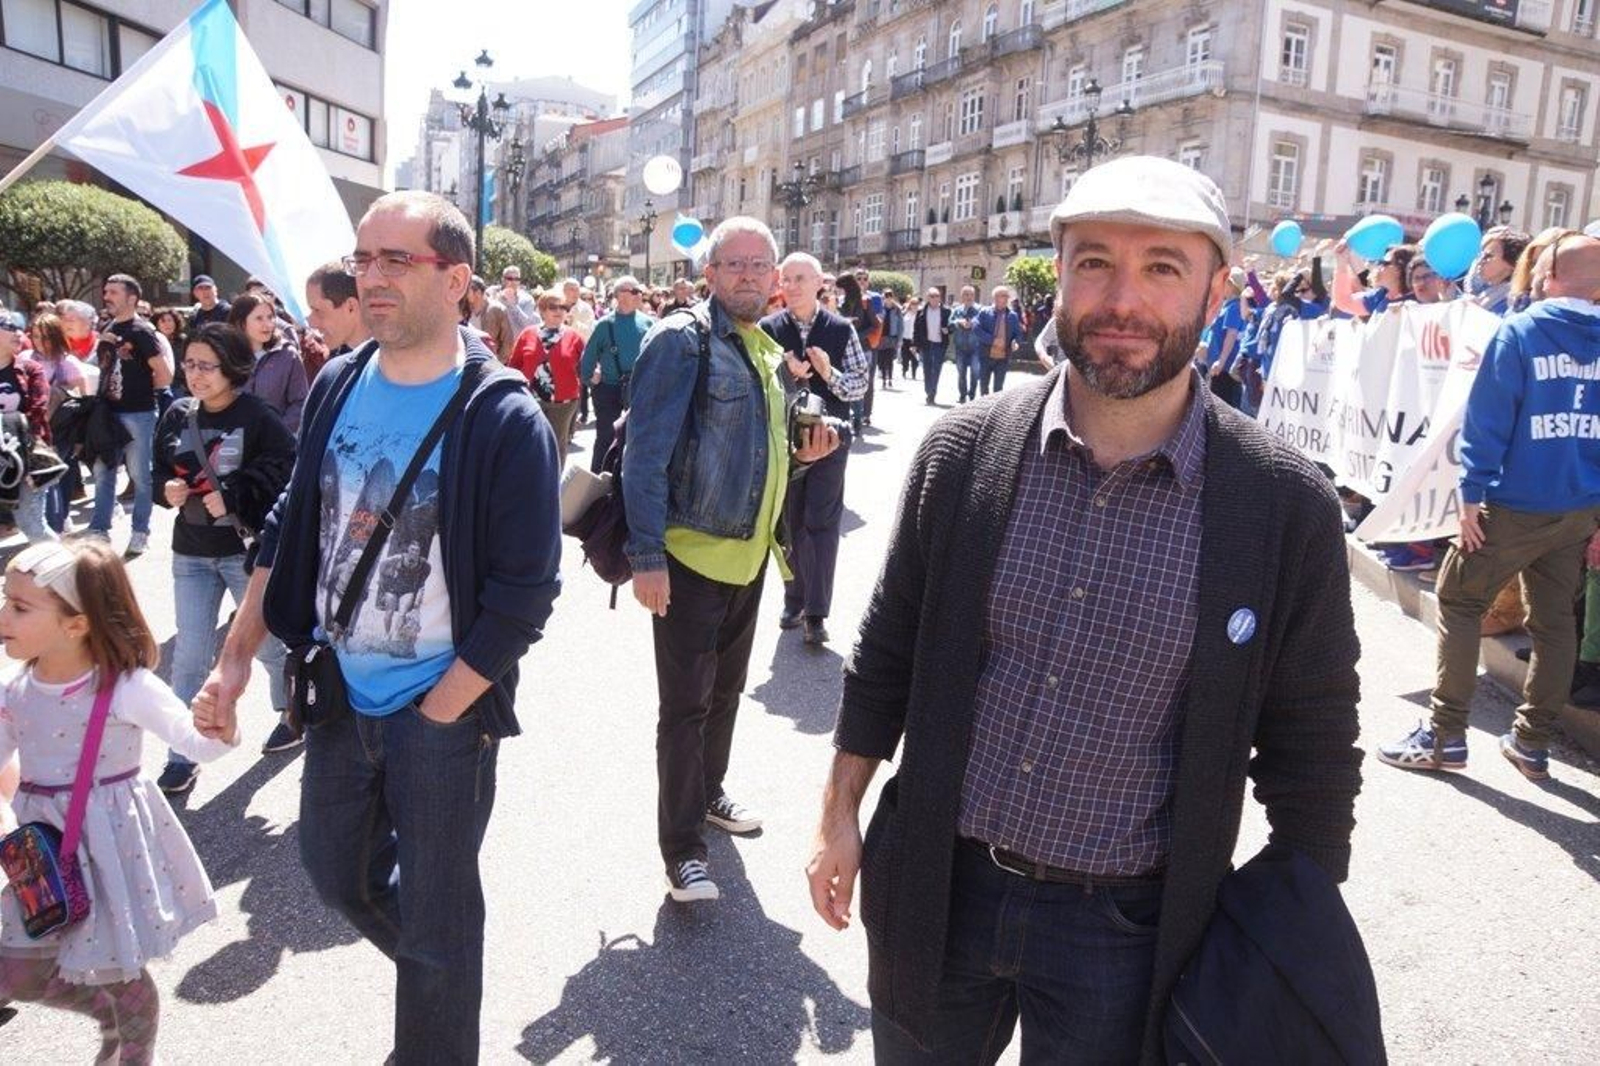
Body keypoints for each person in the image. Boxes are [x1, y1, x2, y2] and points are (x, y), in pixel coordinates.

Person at [805, 156, 1362, 1063]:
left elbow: (1314, 745)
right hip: (937, 893)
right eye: (1094, 261)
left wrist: (1291, 938)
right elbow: (887, 653)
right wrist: (838, 815)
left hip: (1130, 932)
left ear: (1217, 292)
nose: (1122, 299)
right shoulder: (963, 453)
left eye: (1163, 268)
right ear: (1056, 278)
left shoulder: (1281, 505)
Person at [191, 191, 561, 1063]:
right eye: (365, 259)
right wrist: (236, 657)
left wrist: (443, 708)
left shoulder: (503, 416)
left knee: (436, 914)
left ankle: (436, 1020)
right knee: (334, 873)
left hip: (442, 712)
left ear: (458, 281)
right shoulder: (339, 379)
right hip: (339, 697)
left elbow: (525, 594)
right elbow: (289, 525)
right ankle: (446, 976)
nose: (374, 277)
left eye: (399, 260)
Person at [624, 217, 840, 904]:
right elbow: (645, 455)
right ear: (709, 274)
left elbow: (762, 459)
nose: (748, 275)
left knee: (722, 695)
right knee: (684, 708)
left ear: (777, 278)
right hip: (689, 557)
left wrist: (803, 463)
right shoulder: (682, 340)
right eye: (734, 264)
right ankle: (682, 851)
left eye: (760, 264)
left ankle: (709, 795)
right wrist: (646, 554)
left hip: (749, 559)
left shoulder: (765, 349)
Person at [0, 540, 239, 1064]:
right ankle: (112, 1013)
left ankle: (132, 1046)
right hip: (40, 850)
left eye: (19, 606)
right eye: (4, 599)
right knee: (16, 972)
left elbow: (195, 741)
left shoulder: (125, 687)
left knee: (113, 962)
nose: (3, 615)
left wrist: (218, 725)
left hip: (109, 846)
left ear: (77, 624)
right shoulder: (15, 691)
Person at [1379, 234, 1600, 781]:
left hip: (1513, 502)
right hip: (1577, 507)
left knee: (1458, 600)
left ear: (1548, 278)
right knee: (1552, 622)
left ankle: (1444, 734)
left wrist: (1471, 495)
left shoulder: (1523, 331)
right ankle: (1532, 740)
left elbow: (1489, 418)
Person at [153, 322, 297, 792]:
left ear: (233, 368)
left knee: (270, 648)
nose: (196, 375)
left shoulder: (256, 416)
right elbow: (157, 473)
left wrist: (235, 493)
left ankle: (292, 714)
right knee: (189, 657)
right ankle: (182, 752)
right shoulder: (177, 414)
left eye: (206, 366)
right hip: (190, 553)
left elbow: (285, 470)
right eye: (190, 364)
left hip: (244, 553)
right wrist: (165, 490)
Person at [760, 252, 870, 645]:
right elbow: (755, 388)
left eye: (800, 278)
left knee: (821, 523)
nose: (791, 286)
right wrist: (783, 376)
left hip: (829, 439)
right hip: (783, 440)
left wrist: (828, 374)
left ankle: (817, 613)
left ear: (820, 282)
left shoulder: (841, 329)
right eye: (786, 279)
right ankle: (794, 599)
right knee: (788, 521)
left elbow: (859, 386)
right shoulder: (767, 328)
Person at [90, 274, 173, 556]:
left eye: (113, 291)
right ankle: (99, 530)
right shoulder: (108, 327)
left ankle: (140, 531)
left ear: (132, 298)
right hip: (107, 414)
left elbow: (164, 375)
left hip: (138, 413)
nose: (107, 296)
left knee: (140, 475)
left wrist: (142, 392)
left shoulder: (142, 331)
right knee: (104, 473)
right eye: (106, 291)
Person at [579, 275, 654, 471]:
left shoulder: (649, 323)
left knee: (638, 438)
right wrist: (589, 378)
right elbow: (589, 356)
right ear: (620, 295)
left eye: (640, 291)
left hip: (638, 389)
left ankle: (626, 481)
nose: (640, 295)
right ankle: (596, 483)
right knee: (605, 437)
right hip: (608, 389)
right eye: (635, 291)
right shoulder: (604, 324)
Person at [0, 310, 55, 543]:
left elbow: (38, 410)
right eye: (10, 327)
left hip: (25, 455)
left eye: (20, 327)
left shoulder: (30, 369)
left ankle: (66, 572)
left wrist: (31, 466)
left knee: (31, 524)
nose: (19, 333)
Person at [510, 291, 585, 451]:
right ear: (542, 310)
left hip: (563, 403)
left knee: (556, 446)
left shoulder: (575, 337)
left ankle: (554, 476)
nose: (559, 311)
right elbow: (514, 366)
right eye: (553, 307)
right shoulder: (527, 334)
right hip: (530, 399)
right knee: (530, 444)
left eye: (563, 307)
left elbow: (583, 367)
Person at [228, 294, 310, 436]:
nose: (268, 324)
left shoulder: (287, 355)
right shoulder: (226, 355)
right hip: (231, 441)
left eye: (271, 317)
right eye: (259, 318)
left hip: (276, 443)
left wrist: (276, 430)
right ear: (241, 322)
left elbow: (300, 401)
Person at [836, 273, 878, 431]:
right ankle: (851, 416)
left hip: (863, 347)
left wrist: (858, 335)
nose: (839, 292)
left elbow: (875, 324)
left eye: (841, 288)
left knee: (859, 382)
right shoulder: (842, 301)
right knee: (846, 381)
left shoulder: (865, 301)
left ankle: (859, 418)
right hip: (844, 347)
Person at [306, 260, 372, 360]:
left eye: (318, 311)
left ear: (350, 307)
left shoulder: (396, 364)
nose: (311, 323)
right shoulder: (335, 370)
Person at [1333, 240, 1416, 319]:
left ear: (1400, 268)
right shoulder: (1380, 296)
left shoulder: (1419, 301)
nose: (1378, 266)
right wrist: (1341, 262)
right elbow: (1345, 302)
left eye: (1384, 263)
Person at [973, 285, 1023, 397]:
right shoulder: (984, 313)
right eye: (1003, 296)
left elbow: (1018, 334)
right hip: (986, 355)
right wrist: (992, 340)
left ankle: (995, 412)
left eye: (1007, 296)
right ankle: (983, 410)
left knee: (998, 388)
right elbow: (976, 328)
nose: (1006, 299)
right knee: (984, 386)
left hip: (1003, 357)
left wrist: (1016, 342)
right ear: (995, 298)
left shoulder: (1012, 316)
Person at [1471, 226, 1531, 315]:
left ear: (1511, 264)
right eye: (1481, 255)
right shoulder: (1487, 292)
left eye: (1488, 256)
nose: (1480, 261)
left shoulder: (1515, 303)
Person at [911, 287, 952, 405]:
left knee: (936, 369)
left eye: (937, 296)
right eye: (932, 296)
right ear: (927, 298)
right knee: (927, 369)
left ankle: (932, 394)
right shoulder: (921, 312)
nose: (935, 298)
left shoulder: (946, 311)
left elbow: (952, 326)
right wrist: (914, 344)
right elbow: (916, 329)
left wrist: (948, 330)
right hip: (926, 344)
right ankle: (928, 390)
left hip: (940, 344)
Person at [464, 275, 515, 358]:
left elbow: (507, 342)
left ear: (478, 293)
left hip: (490, 361)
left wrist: (498, 364)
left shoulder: (496, 310)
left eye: (467, 291)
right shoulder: (463, 310)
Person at [949, 285, 983, 403]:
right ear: (962, 296)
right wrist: (959, 322)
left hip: (975, 348)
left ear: (974, 296)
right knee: (961, 373)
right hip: (960, 347)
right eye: (966, 294)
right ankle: (962, 395)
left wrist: (972, 323)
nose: (969, 297)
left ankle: (972, 394)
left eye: (971, 294)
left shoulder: (980, 310)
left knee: (975, 372)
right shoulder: (957, 310)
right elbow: (950, 324)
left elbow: (982, 323)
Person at [875, 290, 903, 391]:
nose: (888, 298)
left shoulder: (897, 310)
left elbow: (900, 325)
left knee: (890, 360)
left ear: (892, 297)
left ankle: (890, 380)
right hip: (881, 338)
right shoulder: (880, 309)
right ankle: (883, 380)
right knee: (881, 359)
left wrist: (899, 339)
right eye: (886, 296)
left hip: (892, 337)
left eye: (890, 296)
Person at [496, 265, 536, 336]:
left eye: (517, 279)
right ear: (503, 280)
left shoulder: (527, 299)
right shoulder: (495, 296)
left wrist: (513, 305)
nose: (513, 282)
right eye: (510, 278)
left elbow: (528, 325)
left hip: (518, 343)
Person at [562, 277, 597, 342]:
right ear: (564, 291)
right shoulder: (557, 306)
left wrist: (573, 322)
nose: (575, 293)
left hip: (578, 347)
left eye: (577, 290)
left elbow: (589, 332)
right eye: (572, 289)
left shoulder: (586, 309)